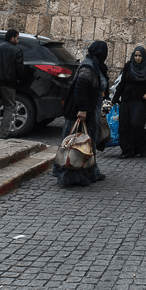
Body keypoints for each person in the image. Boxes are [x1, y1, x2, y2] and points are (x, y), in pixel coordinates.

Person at [55, 40, 109, 188]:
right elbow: (80, 88)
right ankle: (71, 175)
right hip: (80, 112)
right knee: (76, 145)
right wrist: (83, 109)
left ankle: (89, 172)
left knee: (86, 144)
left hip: (91, 111)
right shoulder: (88, 66)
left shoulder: (96, 65)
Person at [116, 46, 146, 157]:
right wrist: (114, 99)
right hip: (127, 99)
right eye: (136, 55)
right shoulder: (129, 66)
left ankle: (142, 144)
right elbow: (122, 82)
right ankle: (127, 150)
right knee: (124, 125)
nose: (137, 58)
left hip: (140, 101)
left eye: (140, 56)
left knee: (135, 124)